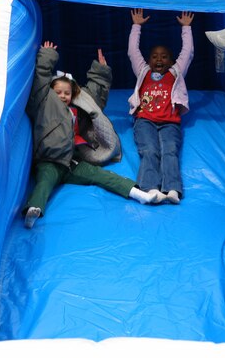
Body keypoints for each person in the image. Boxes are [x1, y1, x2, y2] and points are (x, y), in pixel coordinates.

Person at [23, 41, 160, 228]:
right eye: (59, 92)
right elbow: (40, 79)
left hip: (71, 162)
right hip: (49, 161)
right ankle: (34, 210)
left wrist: (101, 72)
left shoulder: (75, 109)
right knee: (44, 183)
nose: (63, 96)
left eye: (67, 93)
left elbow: (92, 98)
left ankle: (139, 194)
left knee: (101, 176)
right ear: (50, 92)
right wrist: (47, 56)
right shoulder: (44, 103)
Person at [127, 8, 195, 204]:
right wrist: (136, 26)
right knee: (149, 150)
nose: (159, 59)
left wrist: (186, 28)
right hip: (145, 120)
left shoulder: (175, 73)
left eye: (164, 56)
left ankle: (172, 189)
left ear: (172, 61)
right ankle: (150, 188)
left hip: (169, 122)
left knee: (170, 151)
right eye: (155, 56)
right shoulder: (143, 72)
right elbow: (133, 52)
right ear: (148, 61)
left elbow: (187, 53)